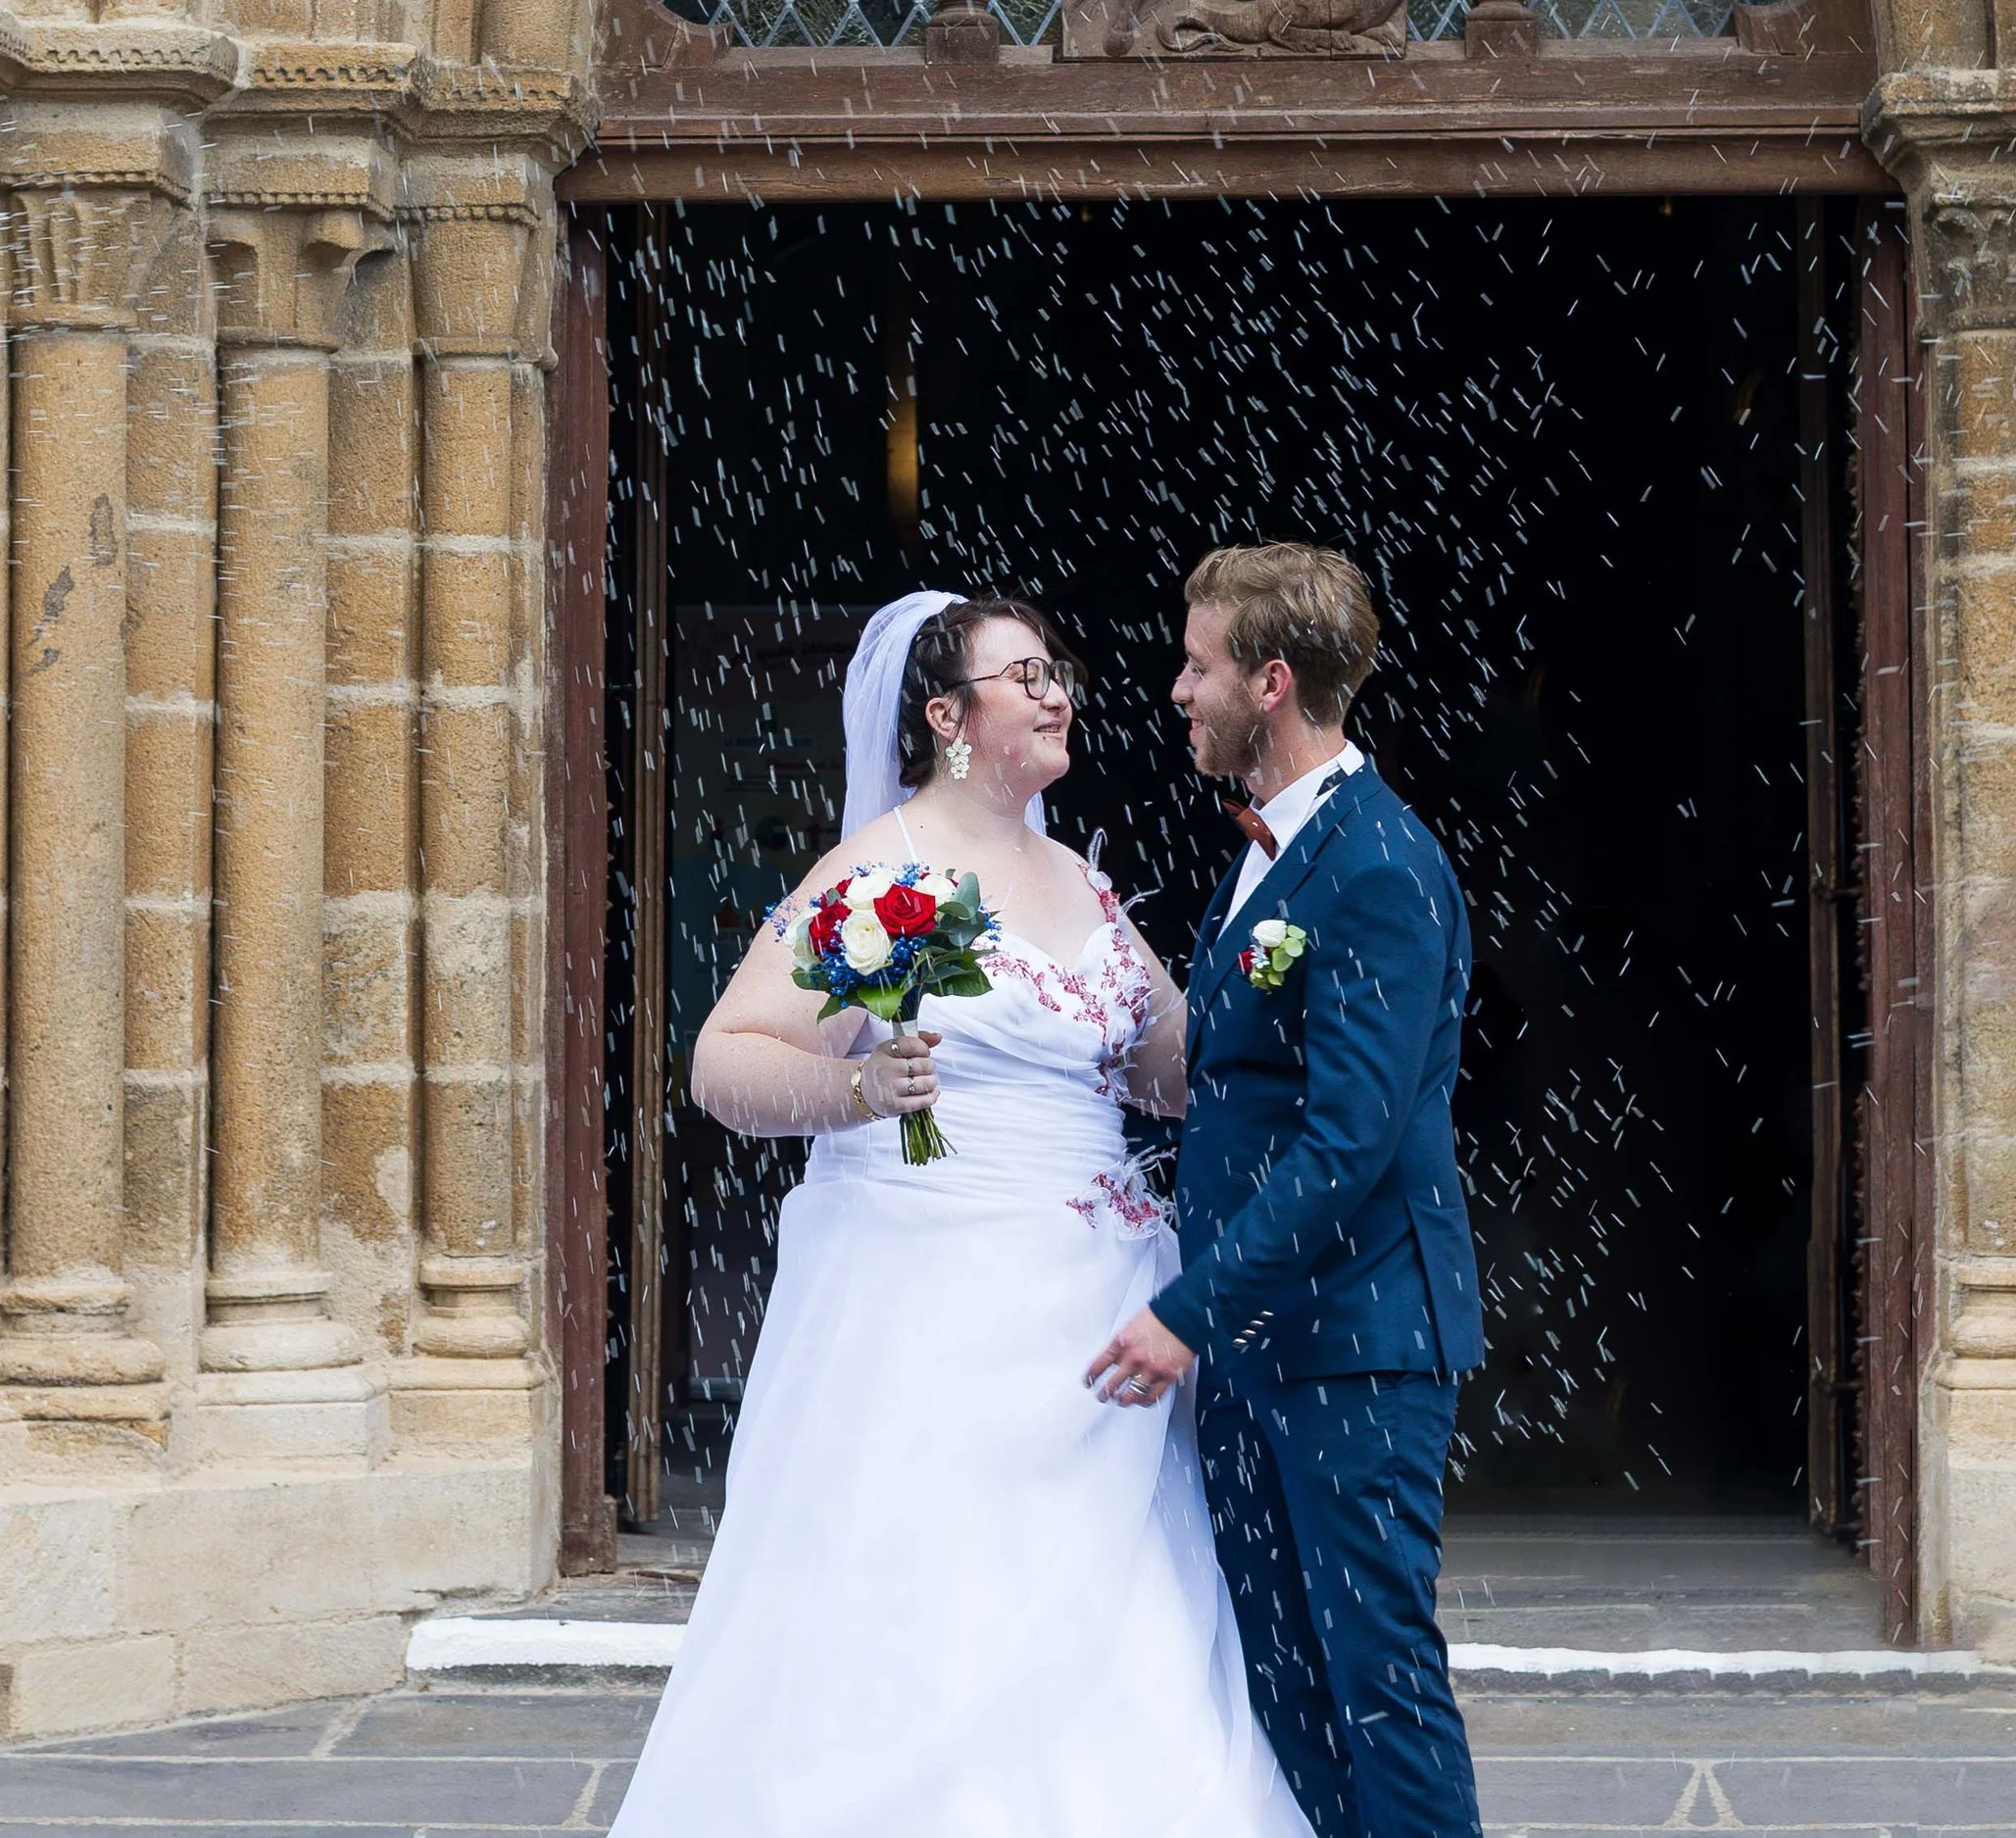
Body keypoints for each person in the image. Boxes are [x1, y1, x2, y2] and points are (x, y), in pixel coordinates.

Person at [607, 591, 1314, 1838]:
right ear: (945, 717)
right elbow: (723, 1061)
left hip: (1102, 1296)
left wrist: (1272, 954)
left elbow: (1169, 1069)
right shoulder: (894, 878)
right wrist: (856, 1086)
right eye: (1023, 674)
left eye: (1058, 670)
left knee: (1121, 1605)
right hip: (943, 1295)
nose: (1057, 693)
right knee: (947, 1601)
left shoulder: (1079, 882)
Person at [1088, 544, 1489, 1838]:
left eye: (1198, 664)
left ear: (1272, 680)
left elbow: (1347, 1139)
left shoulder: (1375, 866)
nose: (1175, 690)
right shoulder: (1269, 854)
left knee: (1379, 1680)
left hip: (1358, 1343)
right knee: (1283, 1671)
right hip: (1266, 1345)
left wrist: (1187, 1308)